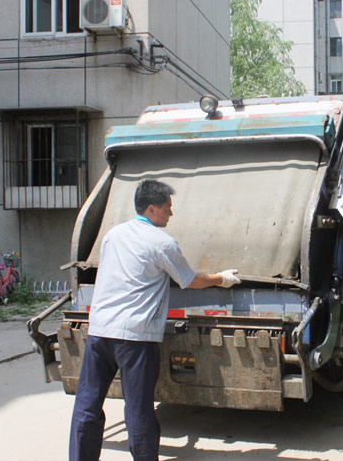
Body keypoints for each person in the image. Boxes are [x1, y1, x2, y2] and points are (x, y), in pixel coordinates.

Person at [69, 179, 241, 461]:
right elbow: (189, 280)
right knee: (138, 410)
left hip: (100, 331)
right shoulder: (161, 243)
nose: (170, 214)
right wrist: (221, 278)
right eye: (167, 208)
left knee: (87, 404)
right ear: (151, 209)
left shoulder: (113, 234)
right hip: (135, 337)